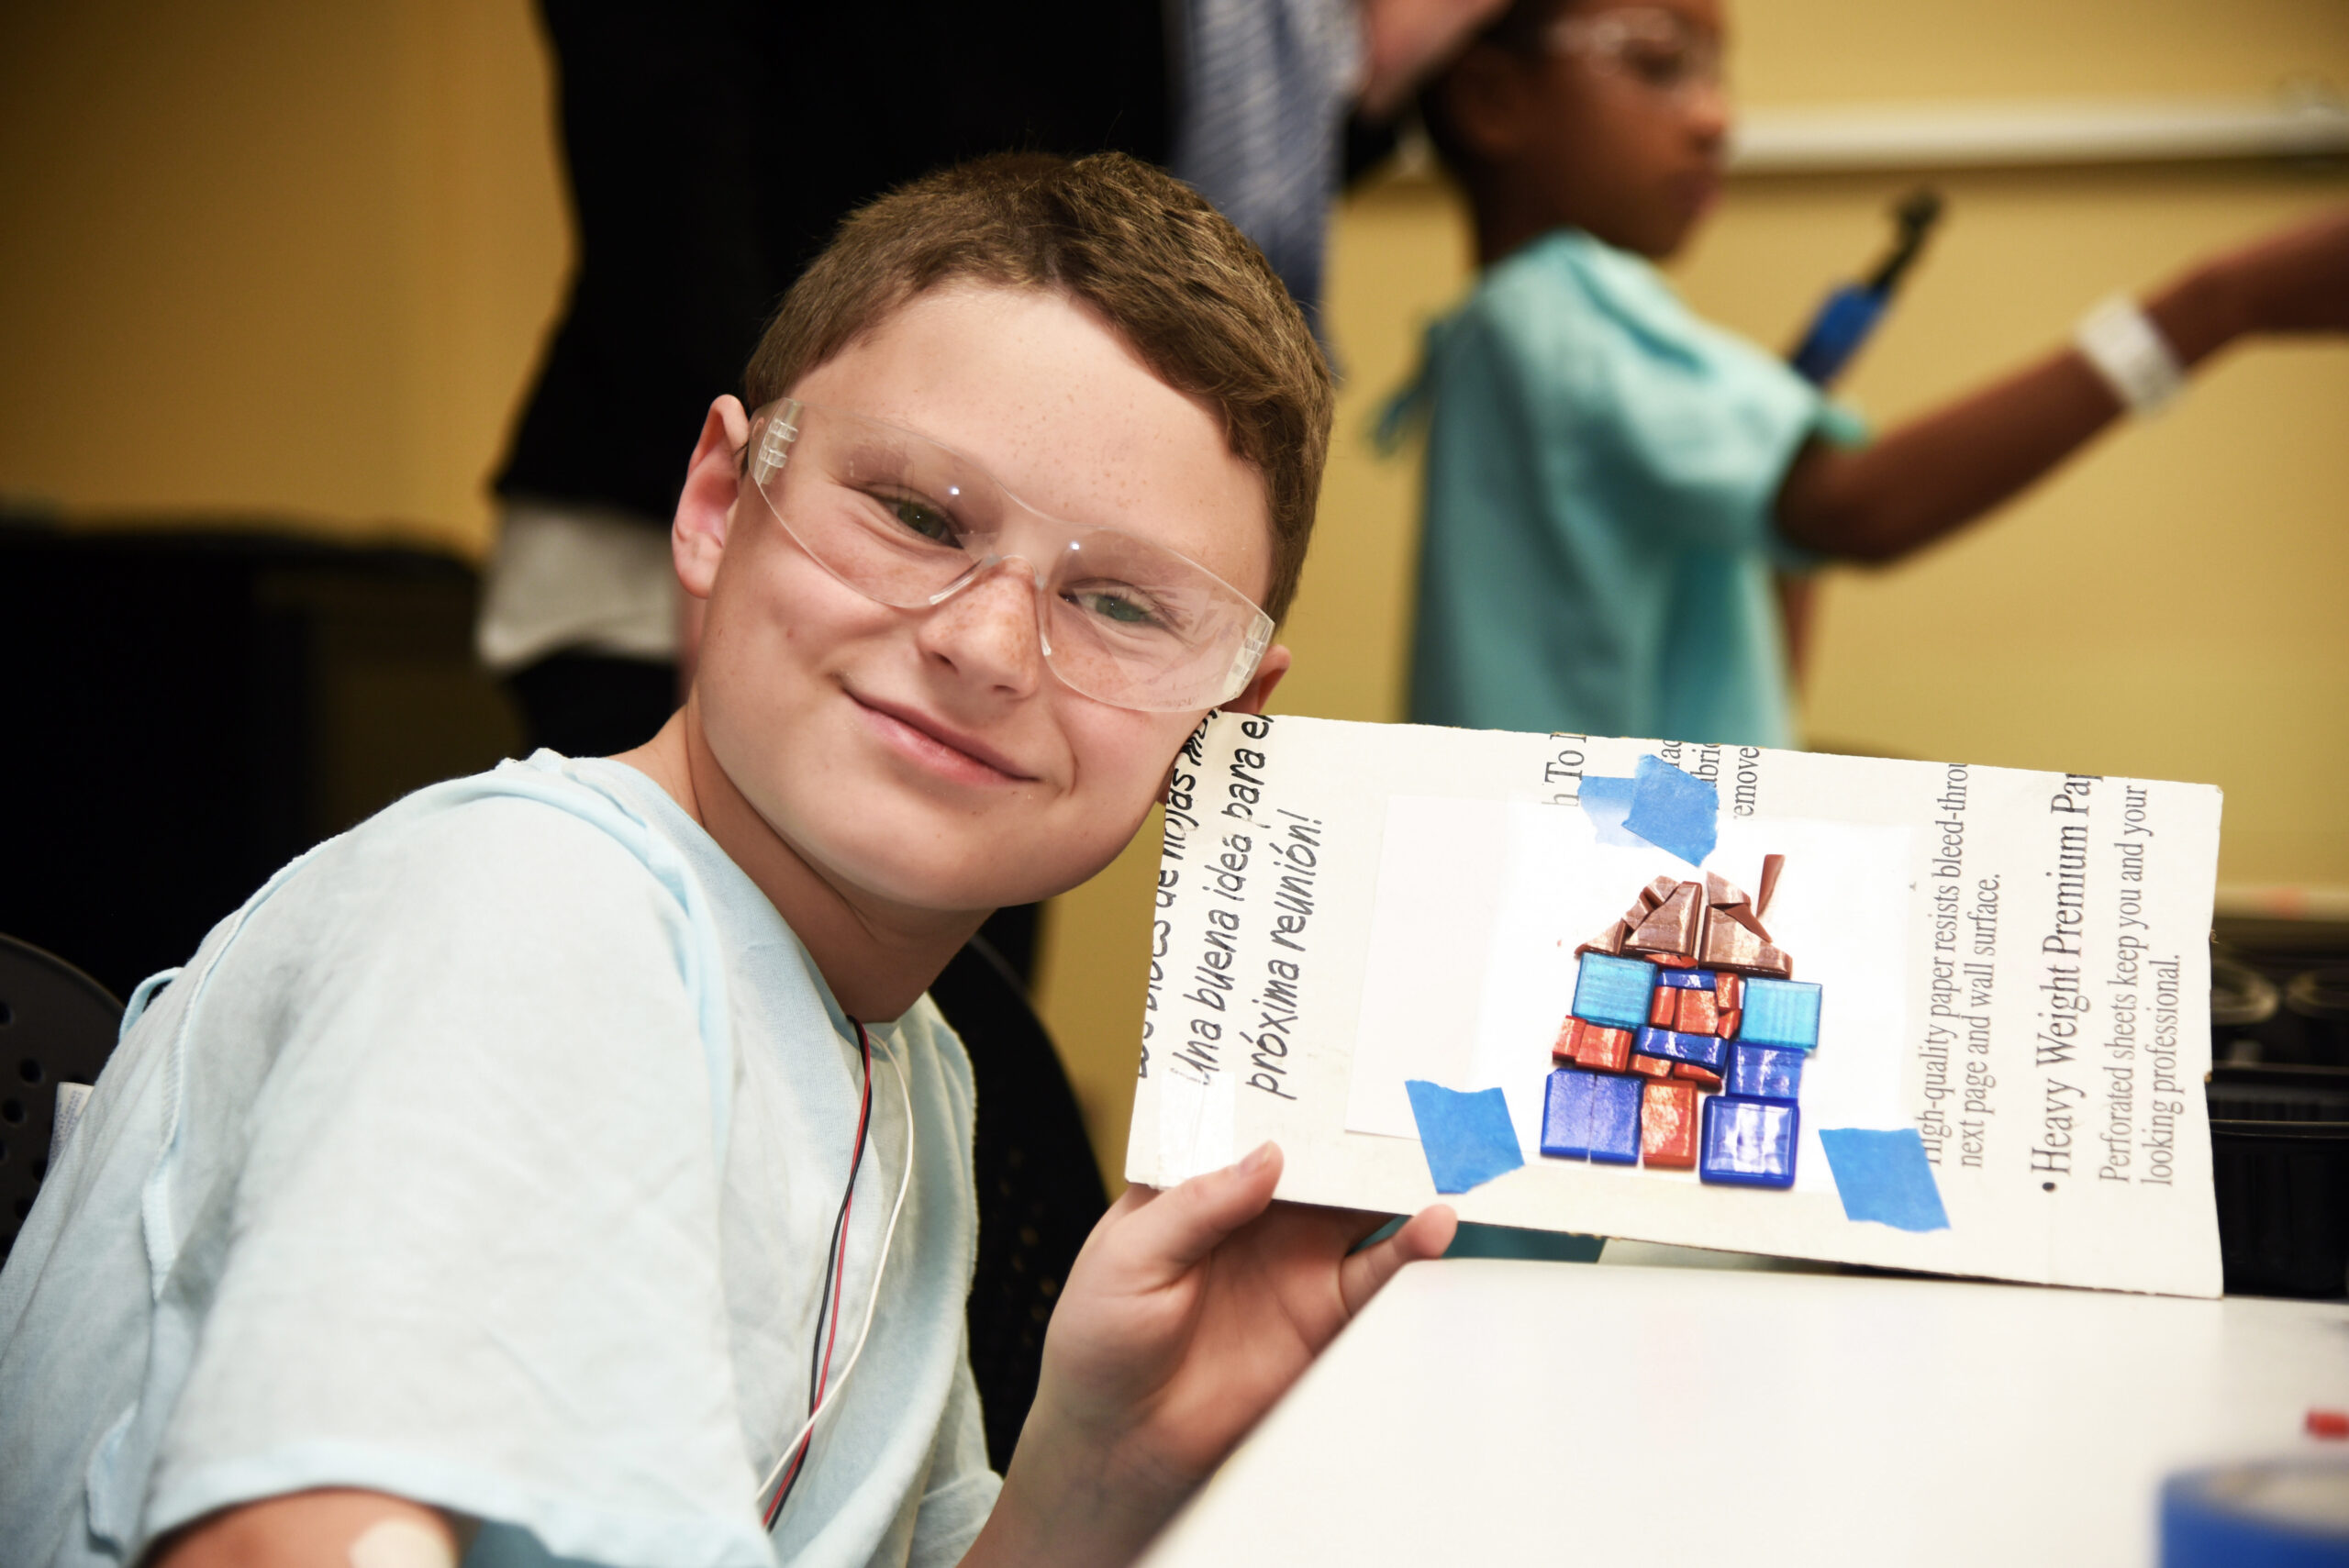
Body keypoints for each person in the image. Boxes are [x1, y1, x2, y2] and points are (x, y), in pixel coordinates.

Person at [0, 153, 1456, 1568]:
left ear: (1228, 722)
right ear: (714, 502)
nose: (987, 644)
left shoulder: (915, 1065)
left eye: (1126, 605)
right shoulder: (534, 912)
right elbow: (285, 1538)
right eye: (913, 515)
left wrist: (1100, 1465)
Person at [1393, 0, 2349, 750]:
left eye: (1718, 75)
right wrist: (2216, 308)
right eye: (1655, 63)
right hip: (1604, 879)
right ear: (1493, 101)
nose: (1716, 118)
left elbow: (1766, 574)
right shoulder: (1556, 306)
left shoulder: (1493, 331)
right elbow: (1855, 510)